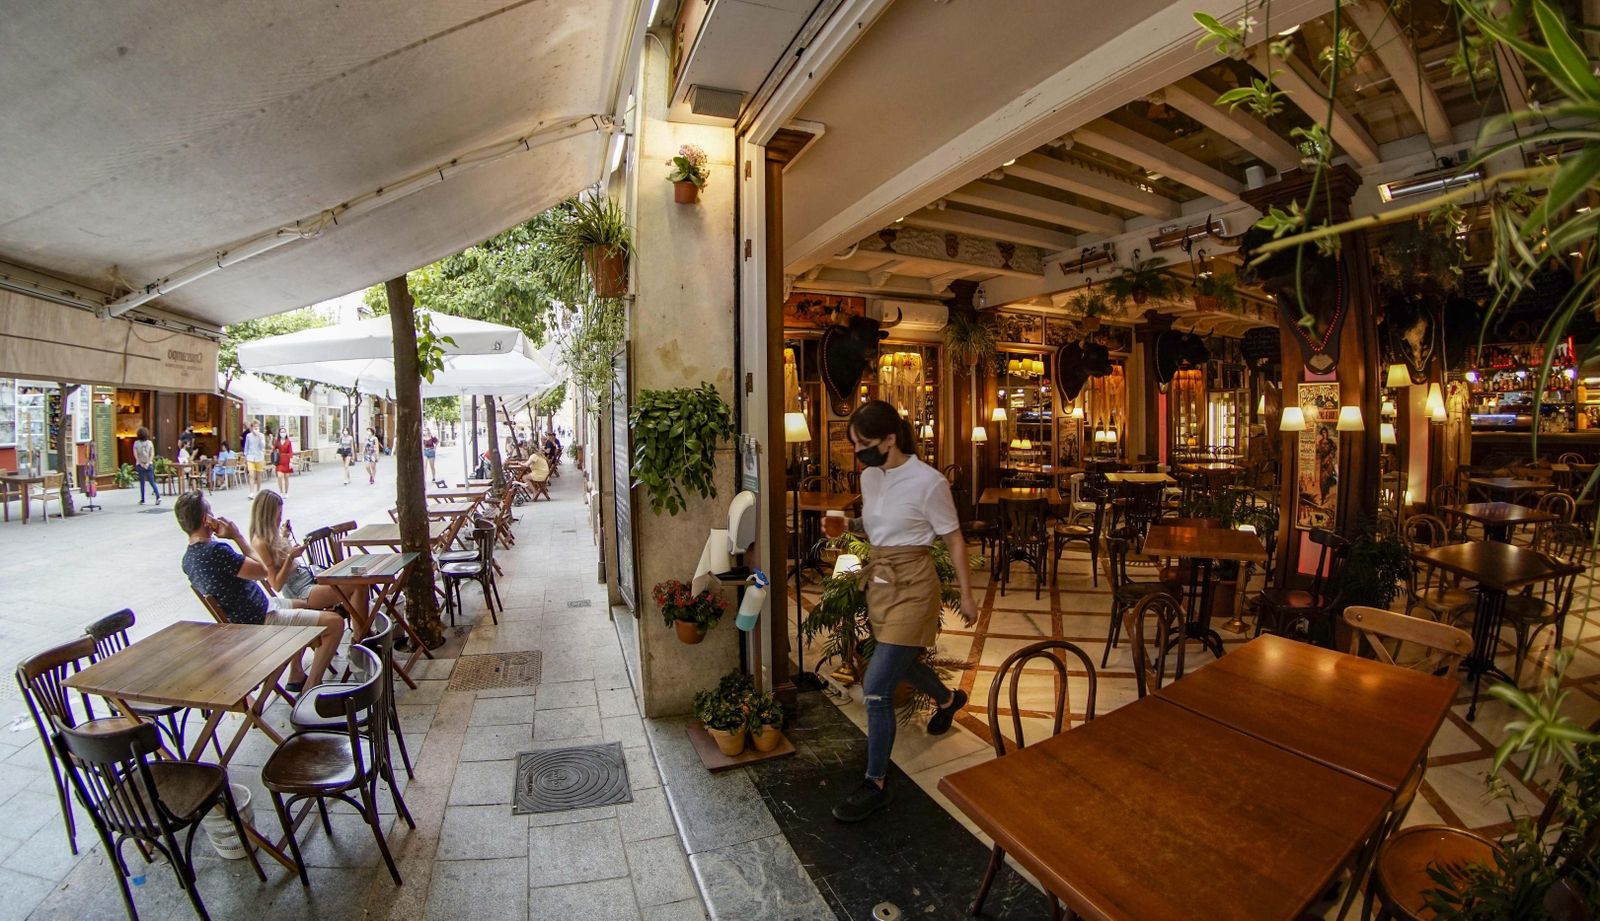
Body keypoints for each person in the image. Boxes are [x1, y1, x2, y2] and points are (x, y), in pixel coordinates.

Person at [831, 400, 977, 823]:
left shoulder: (929, 482)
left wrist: (967, 596)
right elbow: (878, 526)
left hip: (914, 586)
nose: (857, 450)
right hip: (881, 583)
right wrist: (849, 527)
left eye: (863, 442)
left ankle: (875, 783)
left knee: (876, 687)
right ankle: (950, 699)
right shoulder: (870, 476)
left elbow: (953, 541)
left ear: (890, 439)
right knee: (901, 659)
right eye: (854, 442)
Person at [175, 491, 343, 693]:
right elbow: (263, 570)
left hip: (252, 612)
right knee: (335, 622)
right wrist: (236, 536)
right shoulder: (218, 552)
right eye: (212, 511)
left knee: (303, 603)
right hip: (258, 620)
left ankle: (296, 674)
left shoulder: (188, 560)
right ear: (206, 520)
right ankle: (312, 688)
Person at [248, 490, 346, 612]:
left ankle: (361, 628)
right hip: (299, 589)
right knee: (354, 587)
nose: (280, 518)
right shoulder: (260, 542)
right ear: (267, 516)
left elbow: (278, 557)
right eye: (277, 514)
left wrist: (284, 537)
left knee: (356, 583)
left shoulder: (272, 533)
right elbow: (276, 585)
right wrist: (291, 556)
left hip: (307, 577)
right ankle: (361, 628)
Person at [132, 427, 160, 505]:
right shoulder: (150, 443)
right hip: (149, 464)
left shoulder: (136, 443)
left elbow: (135, 454)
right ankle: (158, 497)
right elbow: (152, 454)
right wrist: (148, 463)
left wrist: (140, 463)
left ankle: (143, 499)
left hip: (140, 465)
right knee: (152, 481)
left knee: (142, 482)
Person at [242, 421, 266, 496]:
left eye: (257, 426)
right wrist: (246, 455)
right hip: (251, 457)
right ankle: (251, 492)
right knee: (251, 474)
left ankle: (258, 490)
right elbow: (246, 446)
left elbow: (263, 446)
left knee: (259, 475)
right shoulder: (248, 436)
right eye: (254, 426)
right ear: (251, 427)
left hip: (259, 457)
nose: (256, 428)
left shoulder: (261, 435)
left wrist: (259, 437)